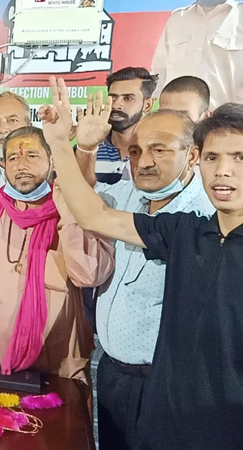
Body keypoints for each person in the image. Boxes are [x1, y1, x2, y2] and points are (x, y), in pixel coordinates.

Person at [41, 75, 243, 450]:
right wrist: (61, 143)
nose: (224, 170)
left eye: (238, 158)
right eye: (215, 157)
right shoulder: (187, 230)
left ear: (189, 156)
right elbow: (93, 213)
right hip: (120, 381)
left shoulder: (198, 213)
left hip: (198, 406)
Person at [74, 98, 215, 449]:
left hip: (169, 388)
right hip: (112, 377)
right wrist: (85, 148)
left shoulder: (207, 219)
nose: (144, 162)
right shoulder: (125, 195)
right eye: (135, 151)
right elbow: (79, 202)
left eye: (159, 149)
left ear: (193, 156)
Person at [0, 126, 113, 380]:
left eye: (32, 155)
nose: (21, 164)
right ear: (3, 164)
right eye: (13, 157)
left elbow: (89, 275)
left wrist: (68, 206)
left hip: (57, 367)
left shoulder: (79, 207)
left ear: (52, 160)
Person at [151, 0, 242, 109]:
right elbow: (159, 70)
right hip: (174, 117)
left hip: (224, 120)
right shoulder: (177, 18)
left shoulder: (240, 16)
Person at [76, 67, 158, 186]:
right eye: (113, 97)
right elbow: (74, 193)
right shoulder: (85, 148)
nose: (117, 105)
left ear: (147, 105)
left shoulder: (159, 150)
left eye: (128, 98)